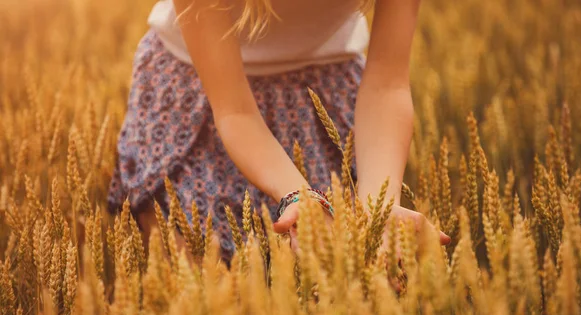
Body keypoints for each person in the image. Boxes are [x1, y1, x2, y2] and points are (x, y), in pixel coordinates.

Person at [107, 0, 451, 264]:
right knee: (206, 273)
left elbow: (386, 85)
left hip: (321, 90)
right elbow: (234, 110)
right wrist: (299, 196)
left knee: (345, 272)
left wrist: (379, 208)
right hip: (201, 98)